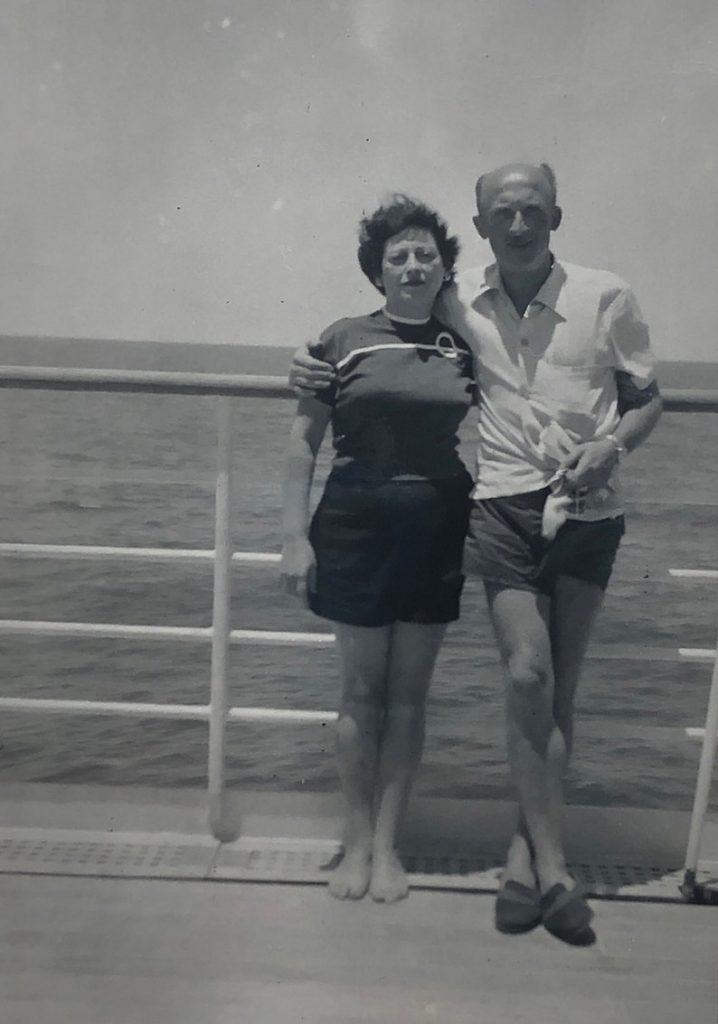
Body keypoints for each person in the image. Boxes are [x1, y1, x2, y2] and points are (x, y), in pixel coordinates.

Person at [289, 163, 662, 942]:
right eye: (503, 214)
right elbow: (321, 416)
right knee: (439, 684)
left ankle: (465, 854)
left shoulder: (539, 312)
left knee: (495, 693)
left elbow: (630, 393)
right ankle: (387, 849)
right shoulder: (403, 323)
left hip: (516, 517)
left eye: (532, 211)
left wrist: (610, 446)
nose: (519, 225)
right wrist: (303, 374)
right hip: (425, 517)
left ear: (554, 216)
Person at [281, 195, 475, 903]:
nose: (413, 264)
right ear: (378, 270)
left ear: (443, 268)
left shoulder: (465, 345)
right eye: (399, 255)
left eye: (426, 254)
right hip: (355, 522)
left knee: (410, 696)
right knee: (361, 690)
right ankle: (355, 844)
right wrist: (292, 538)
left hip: (436, 524)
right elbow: (303, 444)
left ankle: (390, 846)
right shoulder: (341, 339)